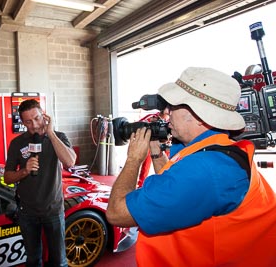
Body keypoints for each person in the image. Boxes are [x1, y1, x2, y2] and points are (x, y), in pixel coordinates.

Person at [106, 67, 276, 266]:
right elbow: (172, 184)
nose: (167, 112)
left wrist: (133, 159)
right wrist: (155, 151)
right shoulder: (216, 150)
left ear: (198, 116)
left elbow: (116, 213)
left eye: (174, 106)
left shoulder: (205, 170)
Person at [4, 99, 76, 267]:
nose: (34, 125)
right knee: (33, 260)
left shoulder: (58, 137)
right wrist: (24, 171)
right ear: (22, 122)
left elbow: (70, 161)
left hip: (53, 210)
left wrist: (50, 133)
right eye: (28, 121)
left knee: (59, 261)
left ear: (44, 116)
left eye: (37, 118)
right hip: (27, 212)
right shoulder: (17, 143)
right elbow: (7, 177)